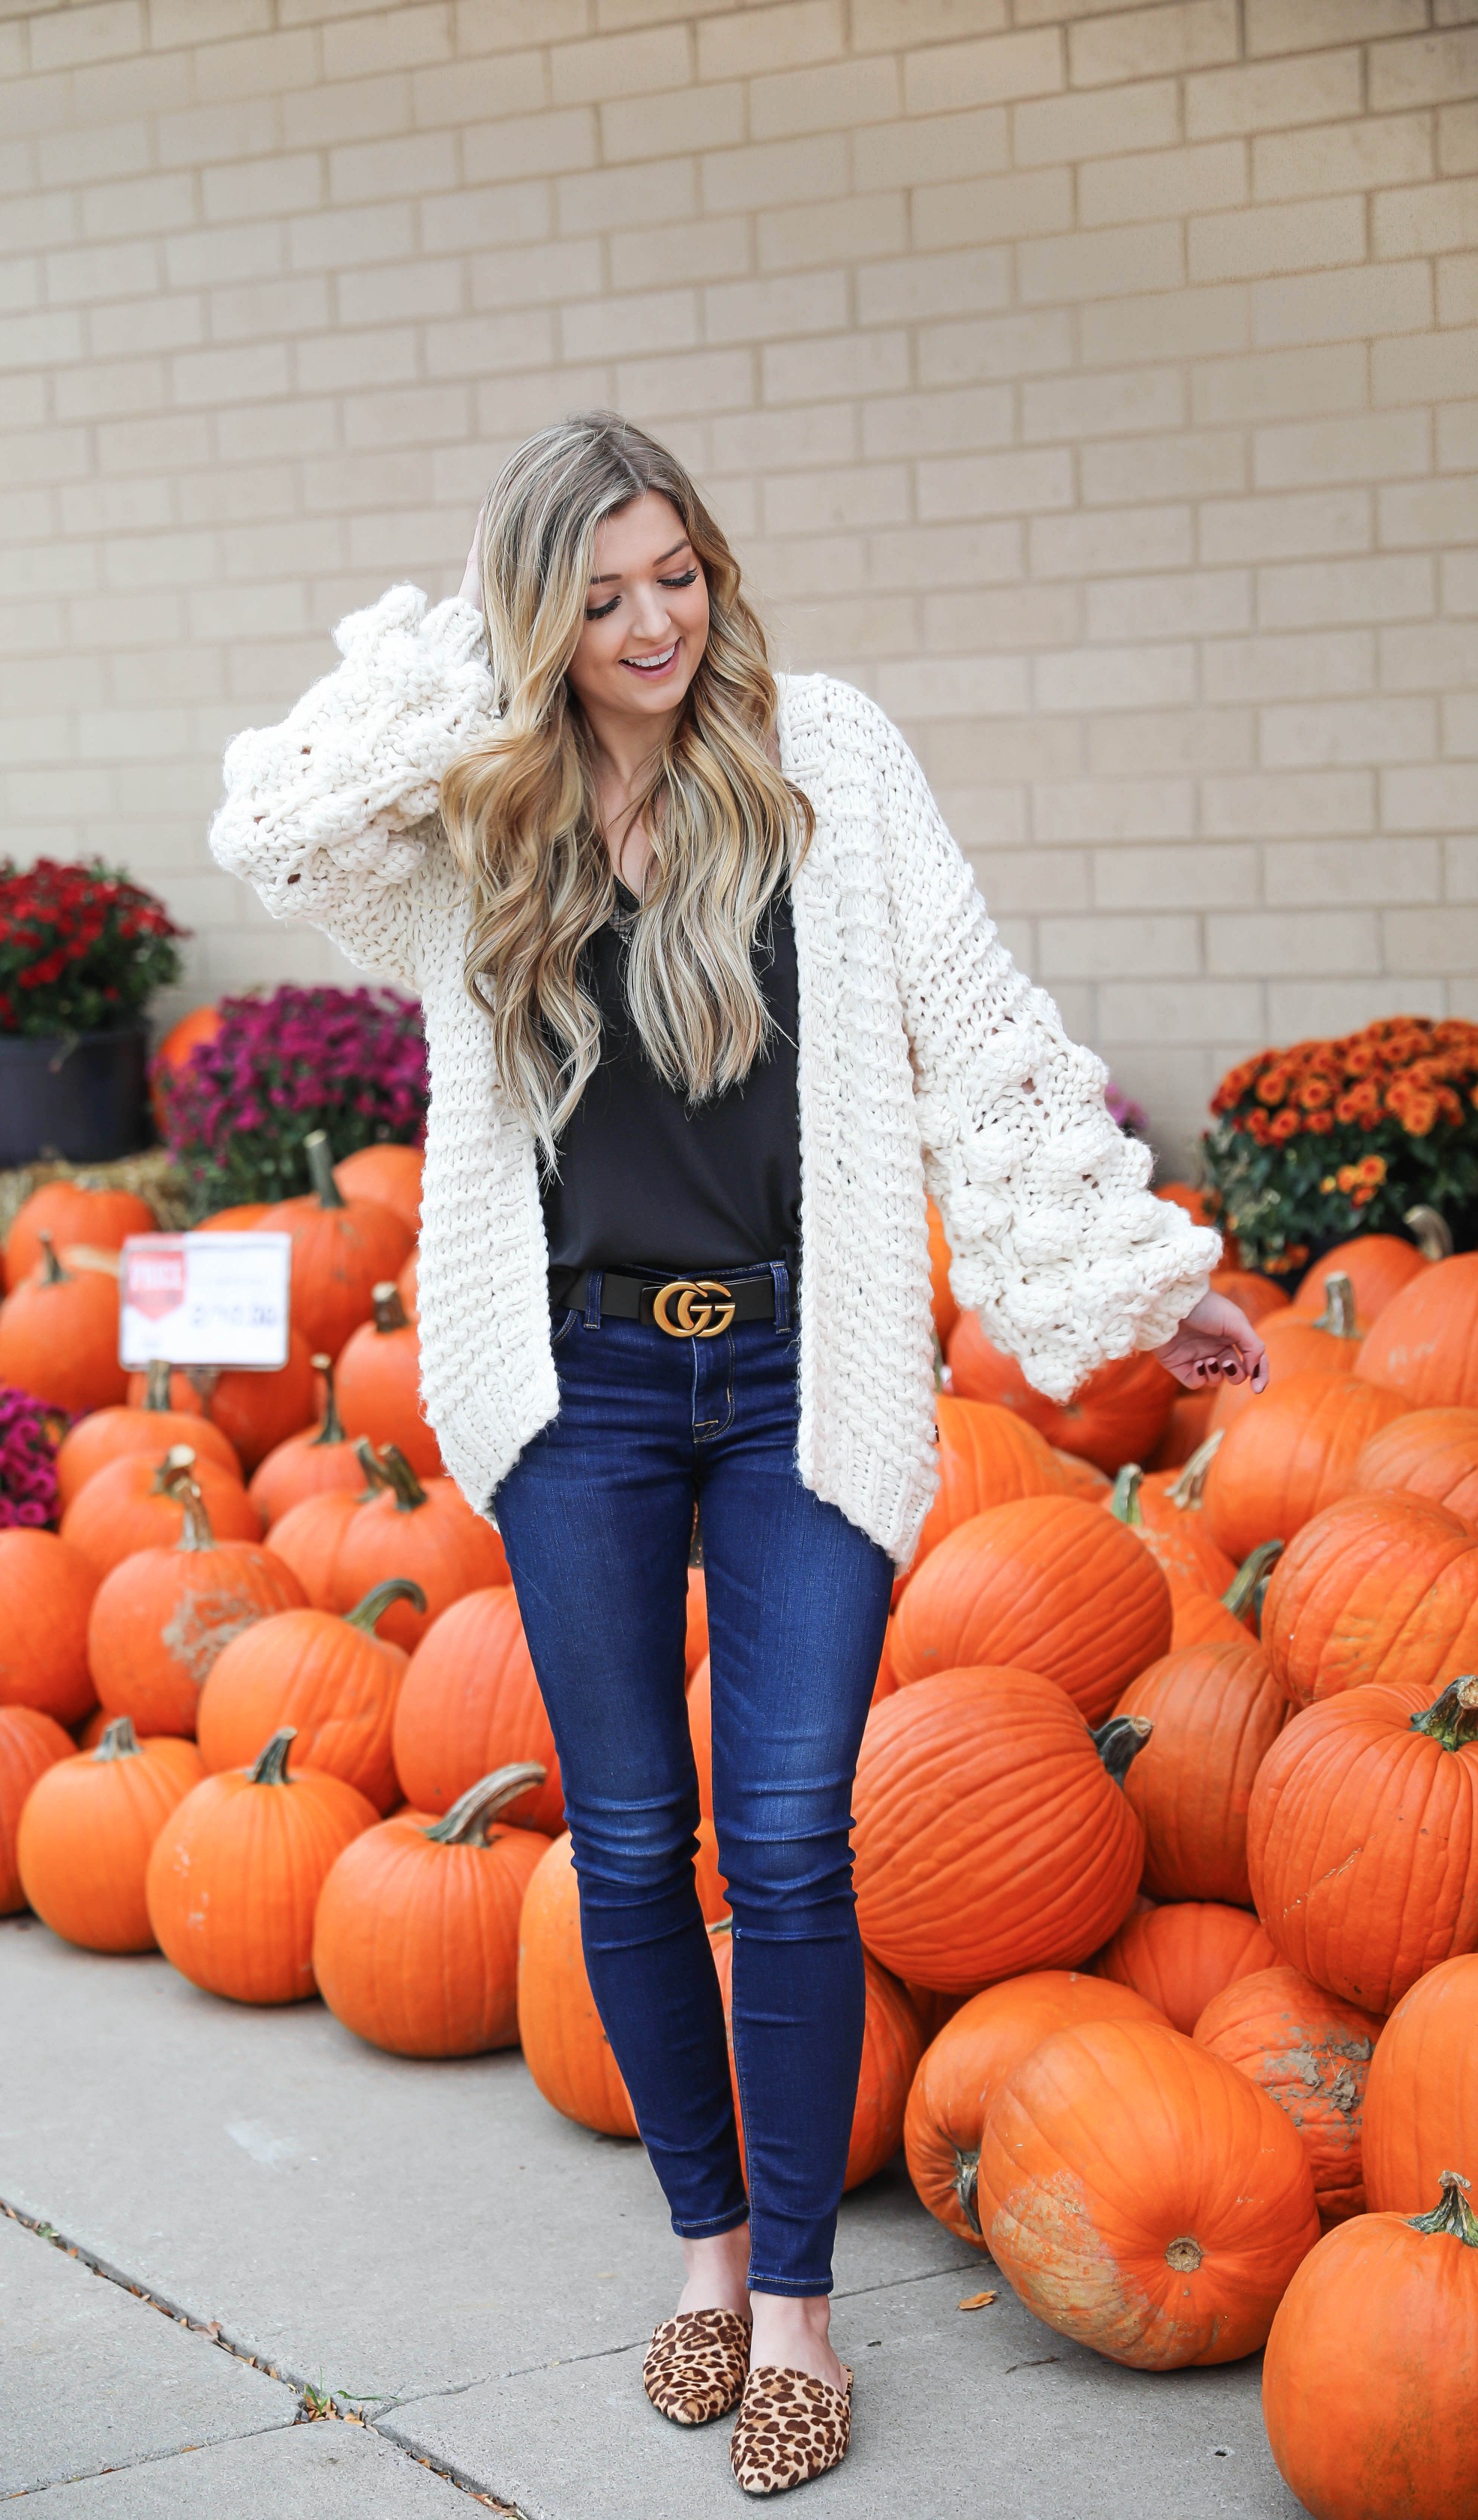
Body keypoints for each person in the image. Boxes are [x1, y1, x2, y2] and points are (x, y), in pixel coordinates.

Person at [209, 411, 1266, 2497]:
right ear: (538, 618)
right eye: (599, 594)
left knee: (786, 1845)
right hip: (577, 1388)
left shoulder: (832, 762)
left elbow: (971, 1023)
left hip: (799, 1375)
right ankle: (701, 2261)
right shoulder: (466, 822)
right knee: (622, 1841)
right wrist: (478, 680)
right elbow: (274, 824)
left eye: (677, 572)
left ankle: (794, 2304)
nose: (655, 621)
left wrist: (1138, 1281)